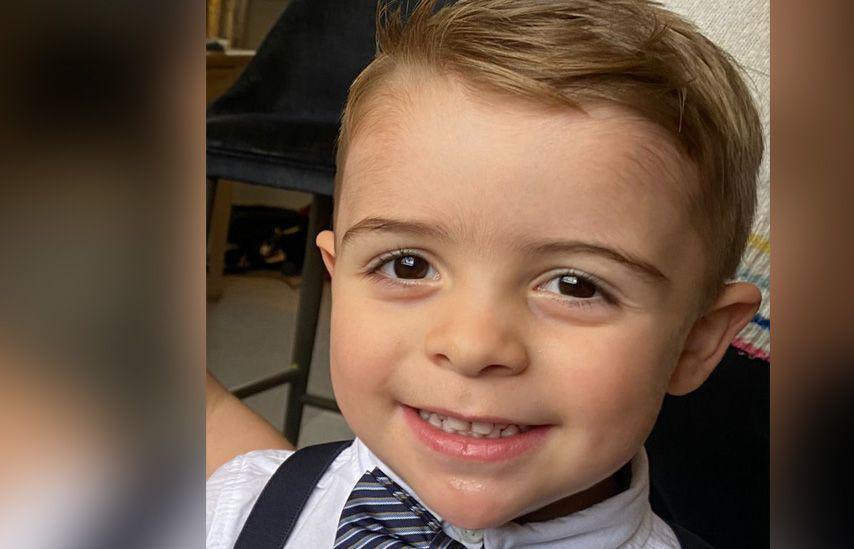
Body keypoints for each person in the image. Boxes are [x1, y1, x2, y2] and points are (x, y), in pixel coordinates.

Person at [207, 0, 763, 547]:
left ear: (697, 340)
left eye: (575, 285)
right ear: (337, 278)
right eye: (408, 264)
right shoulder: (237, 509)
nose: (472, 345)